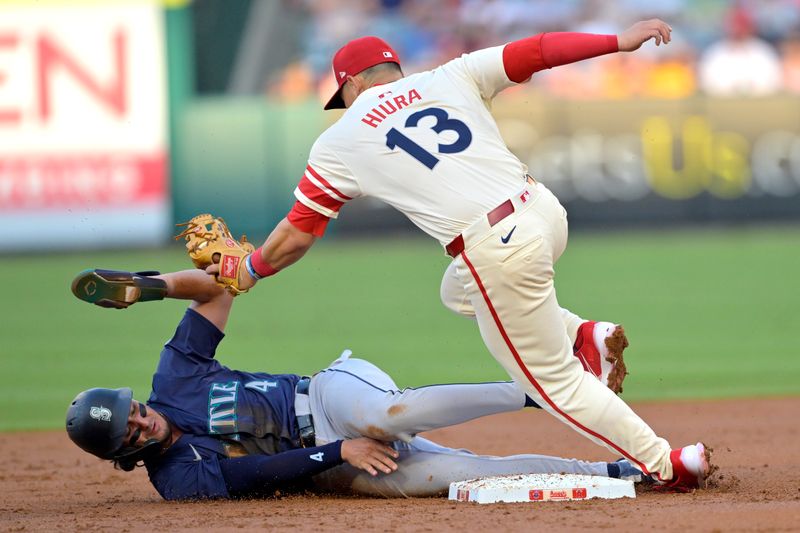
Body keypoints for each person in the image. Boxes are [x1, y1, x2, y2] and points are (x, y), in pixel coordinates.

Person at [201, 19, 712, 490]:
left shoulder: (340, 140)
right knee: (457, 288)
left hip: (497, 246)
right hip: (543, 211)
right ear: (393, 70)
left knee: (553, 382)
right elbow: (534, 51)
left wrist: (249, 269)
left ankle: (667, 463)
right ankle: (581, 332)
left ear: (351, 84)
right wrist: (615, 42)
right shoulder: (452, 74)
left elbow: (297, 233)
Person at [66, 268, 644, 501]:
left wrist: (150, 285)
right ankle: (612, 474)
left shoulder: (175, 375)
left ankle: (544, 387)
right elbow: (254, 473)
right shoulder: (178, 481)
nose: (143, 418)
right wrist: (338, 453)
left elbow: (214, 292)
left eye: (134, 408)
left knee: (388, 415)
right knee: (454, 478)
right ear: (122, 451)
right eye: (131, 428)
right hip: (334, 465)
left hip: (329, 394)